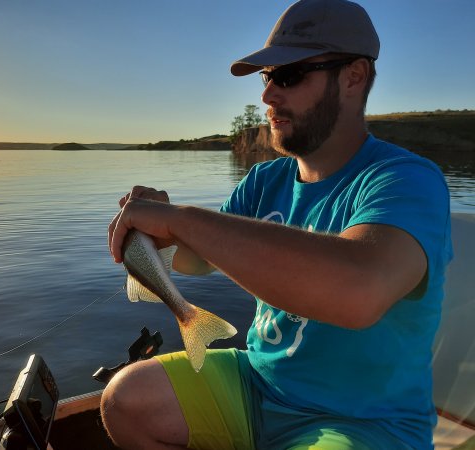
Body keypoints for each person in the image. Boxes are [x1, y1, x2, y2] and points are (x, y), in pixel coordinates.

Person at [102, 0, 453, 448]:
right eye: (267, 77)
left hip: (362, 420)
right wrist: (161, 237)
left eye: (288, 76)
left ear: (354, 76)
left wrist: (182, 219)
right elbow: (196, 260)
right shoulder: (264, 180)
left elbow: (360, 292)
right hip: (258, 384)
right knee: (127, 399)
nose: (267, 96)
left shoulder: (406, 180)